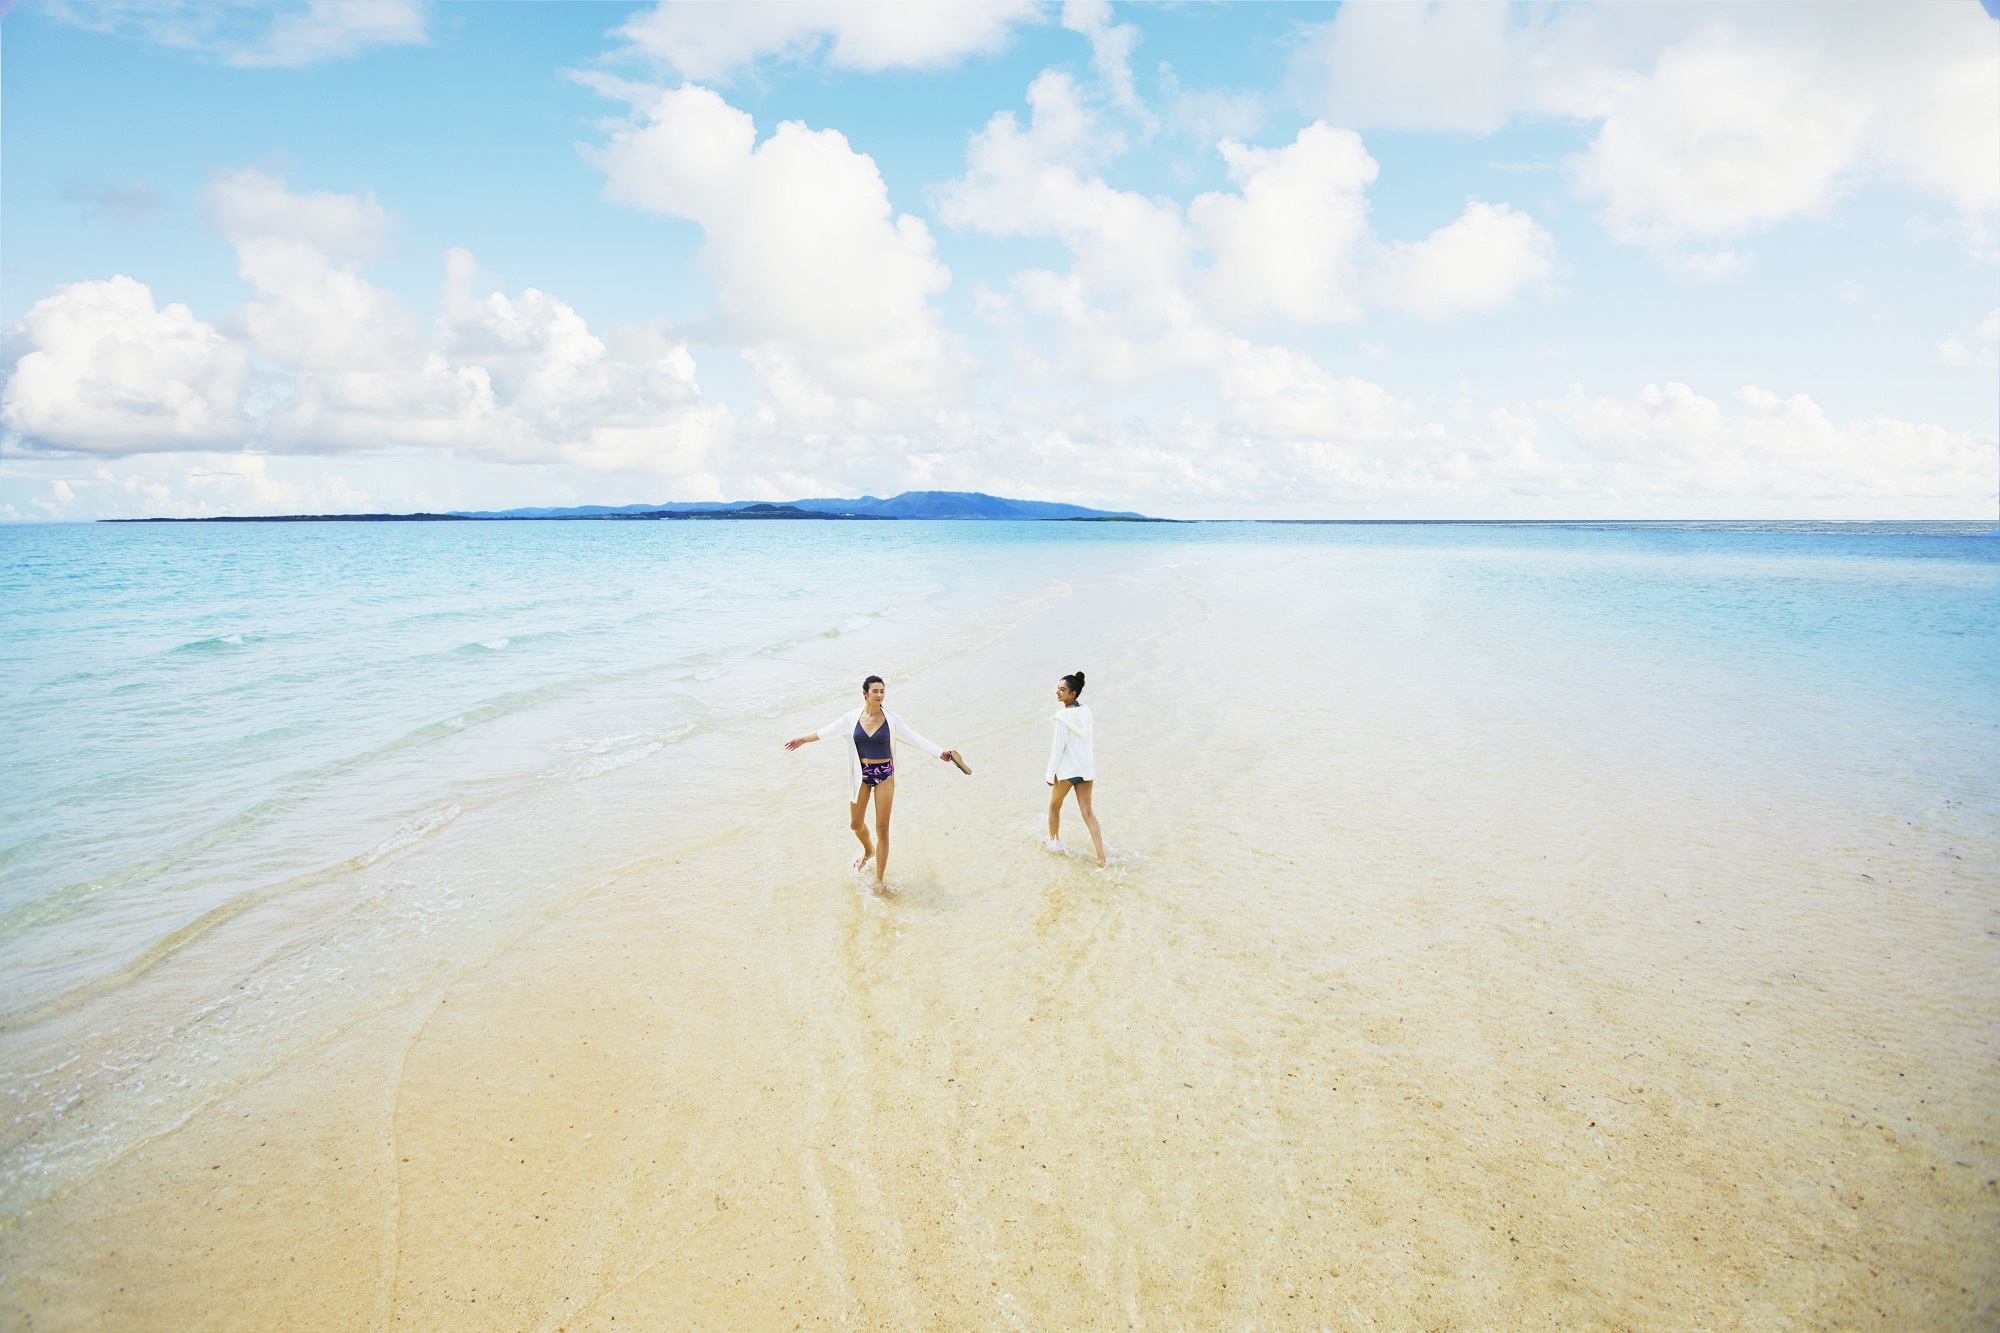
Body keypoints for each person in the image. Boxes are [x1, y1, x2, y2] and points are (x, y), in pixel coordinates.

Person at [785, 675, 967, 890]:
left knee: (883, 828)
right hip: (860, 774)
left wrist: (940, 753)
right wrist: (803, 739)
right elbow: (827, 731)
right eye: (875, 691)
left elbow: (915, 738)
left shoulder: (892, 720)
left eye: (882, 691)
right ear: (865, 694)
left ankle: (879, 879)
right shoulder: (851, 718)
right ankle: (868, 850)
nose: (880, 695)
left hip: (884, 775)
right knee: (855, 824)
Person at [1045, 670, 1105, 867]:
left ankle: (1053, 844)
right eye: (1058, 688)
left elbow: (1057, 748)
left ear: (1073, 694)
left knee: (1054, 806)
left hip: (1068, 771)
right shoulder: (1086, 711)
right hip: (1086, 770)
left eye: (1062, 690)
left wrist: (1049, 773)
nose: (1057, 692)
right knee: (1088, 813)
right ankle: (1101, 857)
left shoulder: (1061, 716)